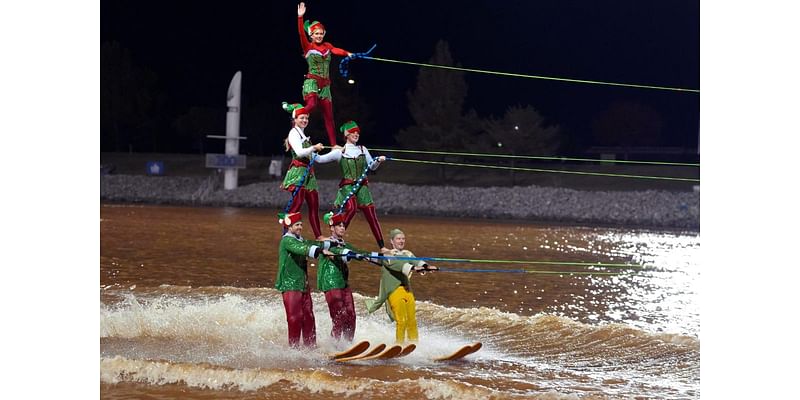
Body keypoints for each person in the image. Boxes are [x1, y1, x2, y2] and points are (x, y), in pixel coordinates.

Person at [320, 120, 387, 248]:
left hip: (362, 185)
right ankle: (336, 239)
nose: (356, 134)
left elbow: (372, 166)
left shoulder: (362, 149)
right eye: (353, 132)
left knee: (371, 215)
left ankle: (382, 247)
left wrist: (378, 160)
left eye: (357, 133)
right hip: (348, 185)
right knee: (351, 208)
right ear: (346, 135)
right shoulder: (340, 152)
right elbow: (320, 159)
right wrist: (312, 150)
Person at [365, 228, 438, 344]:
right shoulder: (387, 255)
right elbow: (397, 264)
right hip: (394, 290)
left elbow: (415, 261)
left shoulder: (407, 253)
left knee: (412, 321)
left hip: (407, 290)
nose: (401, 241)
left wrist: (427, 266)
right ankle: (399, 345)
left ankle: (414, 344)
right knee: (402, 321)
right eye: (398, 239)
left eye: (403, 239)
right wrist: (413, 268)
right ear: (392, 242)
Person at [296, 2, 352, 147]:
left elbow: (336, 51)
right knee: (312, 104)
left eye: (321, 33)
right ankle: (296, 116)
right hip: (312, 82)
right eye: (316, 34)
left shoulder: (327, 46)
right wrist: (300, 17)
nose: (319, 36)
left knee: (329, 116)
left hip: (325, 85)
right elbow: (301, 34)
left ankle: (334, 145)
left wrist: (348, 53)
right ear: (311, 35)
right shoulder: (308, 47)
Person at [275, 211, 335, 348]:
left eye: (301, 224)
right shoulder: (287, 241)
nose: (300, 227)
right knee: (294, 318)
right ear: (289, 227)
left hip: (303, 285)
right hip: (290, 285)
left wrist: (331, 243)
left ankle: (311, 348)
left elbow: (313, 244)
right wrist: (321, 252)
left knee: (309, 318)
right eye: (297, 225)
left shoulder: (300, 240)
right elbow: (302, 249)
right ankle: (293, 350)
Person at [316, 211, 371, 342]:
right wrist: (354, 255)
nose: (342, 228)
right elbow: (340, 252)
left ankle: (348, 344)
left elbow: (360, 252)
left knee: (351, 315)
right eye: (339, 226)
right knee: (339, 315)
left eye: (343, 226)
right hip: (330, 283)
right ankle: (334, 345)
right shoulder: (327, 243)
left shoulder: (345, 244)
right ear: (332, 228)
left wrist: (379, 257)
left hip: (343, 284)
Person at [281, 102, 325, 239]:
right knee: (297, 204)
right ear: (295, 119)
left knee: (314, 205)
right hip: (299, 172)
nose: (305, 120)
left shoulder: (305, 137)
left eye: (306, 118)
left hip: (309, 175)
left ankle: (319, 236)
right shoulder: (293, 133)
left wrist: (339, 152)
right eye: (302, 118)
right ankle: (287, 235)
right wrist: (313, 148)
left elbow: (318, 159)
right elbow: (300, 152)